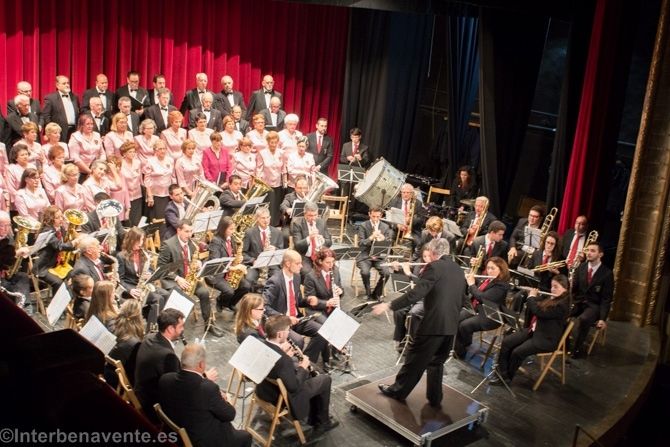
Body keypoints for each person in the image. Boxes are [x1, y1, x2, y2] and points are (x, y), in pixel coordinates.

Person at [373, 238, 466, 406]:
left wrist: (389, 305)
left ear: (433, 252)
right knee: (436, 363)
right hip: (451, 324)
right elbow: (461, 299)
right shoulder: (458, 269)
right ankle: (435, 397)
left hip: (434, 323)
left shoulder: (434, 267)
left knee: (414, 358)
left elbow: (415, 294)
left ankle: (398, 390)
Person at [255, 315, 339, 435]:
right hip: (281, 397)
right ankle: (322, 423)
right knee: (325, 379)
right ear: (280, 334)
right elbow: (294, 387)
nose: (289, 333)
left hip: (265, 390)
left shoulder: (261, 345)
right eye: (287, 330)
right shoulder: (284, 361)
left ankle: (315, 415)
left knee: (311, 375)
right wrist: (303, 367)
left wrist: (286, 355)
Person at [159, 344, 252, 447]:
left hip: (175, 433)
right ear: (201, 365)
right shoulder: (208, 389)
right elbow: (230, 415)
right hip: (202, 441)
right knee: (246, 436)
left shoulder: (165, 379)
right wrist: (226, 399)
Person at [496, 275, 570, 384]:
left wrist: (531, 297)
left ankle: (507, 378)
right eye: (552, 286)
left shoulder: (562, 305)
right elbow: (539, 303)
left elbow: (539, 312)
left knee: (517, 352)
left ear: (565, 289)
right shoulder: (553, 297)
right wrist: (532, 293)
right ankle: (502, 372)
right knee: (507, 342)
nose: (552, 289)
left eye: (556, 287)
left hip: (546, 339)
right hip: (535, 330)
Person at [157, 220, 223, 337]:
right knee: (180, 296)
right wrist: (177, 278)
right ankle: (174, 328)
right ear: (179, 230)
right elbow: (160, 268)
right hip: (173, 280)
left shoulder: (192, 244)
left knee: (204, 293)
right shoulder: (168, 245)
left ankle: (209, 324)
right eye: (186, 231)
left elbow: (194, 260)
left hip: (189, 279)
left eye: (191, 231)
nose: (189, 234)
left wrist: (199, 263)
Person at [263, 250, 329, 366]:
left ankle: (306, 363)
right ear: (288, 264)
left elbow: (297, 301)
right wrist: (286, 318)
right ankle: (295, 366)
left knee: (323, 332)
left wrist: (308, 301)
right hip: (281, 323)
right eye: (298, 263)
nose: (301, 266)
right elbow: (265, 307)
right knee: (298, 340)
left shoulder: (296, 277)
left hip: (296, 319)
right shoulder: (275, 281)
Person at [455, 256, 511, 358]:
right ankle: (463, 344)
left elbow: (482, 298)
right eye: (488, 268)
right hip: (477, 309)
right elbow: (477, 290)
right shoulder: (488, 280)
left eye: (492, 268)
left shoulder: (502, 286)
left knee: (464, 326)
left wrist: (472, 284)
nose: (489, 271)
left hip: (491, 316)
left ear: (501, 270)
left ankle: (460, 352)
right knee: (457, 318)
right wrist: (469, 278)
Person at [134, 308, 185, 417]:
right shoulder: (168, 356)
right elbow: (177, 387)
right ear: (170, 329)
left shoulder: (149, 337)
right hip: (152, 405)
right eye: (181, 326)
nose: (183, 329)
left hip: (141, 393)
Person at [116, 227, 168, 329]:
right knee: (158, 299)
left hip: (144, 284)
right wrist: (130, 290)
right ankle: (151, 330)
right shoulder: (121, 256)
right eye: (138, 240)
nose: (141, 243)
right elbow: (120, 279)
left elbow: (151, 270)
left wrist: (150, 274)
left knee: (166, 294)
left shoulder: (143, 253)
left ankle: (155, 320)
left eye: (142, 240)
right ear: (131, 240)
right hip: (132, 287)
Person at [570, 241, 614, 358]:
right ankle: (562, 342)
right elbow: (574, 289)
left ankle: (576, 349)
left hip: (593, 306)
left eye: (593, 251)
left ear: (600, 254)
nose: (588, 253)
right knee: (561, 311)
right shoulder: (581, 267)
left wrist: (602, 318)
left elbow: (606, 298)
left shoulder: (607, 273)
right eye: (588, 250)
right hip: (579, 301)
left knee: (583, 319)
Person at [206, 216, 251, 312]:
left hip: (229, 271)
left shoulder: (232, 239)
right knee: (229, 291)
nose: (233, 231)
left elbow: (232, 254)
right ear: (223, 229)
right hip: (217, 274)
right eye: (231, 229)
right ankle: (220, 301)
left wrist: (238, 258)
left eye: (234, 228)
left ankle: (231, 303)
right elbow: (216, 262)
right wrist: (234, 268)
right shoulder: (216, 241)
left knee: (246, 286)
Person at [391, 247, 432, 351]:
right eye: (424, 256)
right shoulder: (419, 263)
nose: (427, 259)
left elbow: (424, 285)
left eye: (429, 256)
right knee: (398, 310)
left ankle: (413, 342)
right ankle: (401, 338)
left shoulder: (435, 269)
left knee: (413, 313)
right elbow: (407, 279)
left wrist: (409, 273)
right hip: (414, 297)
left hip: (427, 299)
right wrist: (397, 269)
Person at [34, 206, 80, 294]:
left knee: (75, 274)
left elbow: (65, 243)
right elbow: (59, 246)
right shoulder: (47, 231)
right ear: (50, 219)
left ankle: (70, 297)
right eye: (57, 217)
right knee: (58, 283)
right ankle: (57, 302)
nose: (61, 219)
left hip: (58, 264)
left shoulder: (61, 229)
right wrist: (74, 242)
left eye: (61, 216)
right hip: (44, 267)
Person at [105, 299, 144, 388]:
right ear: (139, 317)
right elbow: (133, 372)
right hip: (118, 382)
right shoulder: (135, 343)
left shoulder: (111, 325)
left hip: (107, 371)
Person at [355, 207, 392, 300]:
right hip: (365, 255)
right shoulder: (363, 225)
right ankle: (368, 293)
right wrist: (371, 237)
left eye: (378, 217)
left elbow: (389, 243)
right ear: (369, 214)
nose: (375, 219)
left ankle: (376, 293)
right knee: (365, 272)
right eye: (373, 216)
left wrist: (383, 239)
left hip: (379, 255)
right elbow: (361, 243)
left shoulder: (385, 227)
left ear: (381, 215)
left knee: (386, 273)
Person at [242, 206, 284, 284]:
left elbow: (282, 252)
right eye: (263, 218)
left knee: (278, 279)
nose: (266, 220)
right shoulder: (249, 233)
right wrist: (253, 261)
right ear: (257, 218)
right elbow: (243, 253)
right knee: (249, 279)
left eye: (267, 217)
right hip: (256, 266)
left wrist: (275, 249)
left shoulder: (278, 232)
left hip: (272, 265)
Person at [291, 201, 332, 278]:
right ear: (304, 214)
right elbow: (297, 245)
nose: (313, 218)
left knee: (331, 269)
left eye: (315, 215)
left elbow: (329, 242)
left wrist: (323, 240)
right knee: (307, 273)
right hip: (305, 256)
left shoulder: (321, 222)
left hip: (320, 256)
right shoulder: (297, 223)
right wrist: (309, 238)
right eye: (310, 215)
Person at [0, 211, 31, 308]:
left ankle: (25, 306)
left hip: (6, 273)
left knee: (23, 276)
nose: (6, 229)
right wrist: (17, 253)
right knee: (11, 286)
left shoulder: (8, 237)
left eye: (8, 225)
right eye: (2, 226)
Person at [303, 247, 343, 320]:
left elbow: (341, 288)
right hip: (317, 310)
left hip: (333, 308)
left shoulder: (335, 271)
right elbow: (310, 300)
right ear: (320, 261)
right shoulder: (311, 277)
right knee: (327, 325)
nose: (331, 265)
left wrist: (340, 291)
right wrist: (326, 303)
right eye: (328, 262)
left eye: (333, 261)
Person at [142, 139, 175, 225]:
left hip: (168, 194)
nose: (163, 151)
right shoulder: (150, 161)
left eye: (164, 148)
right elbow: (147, 180)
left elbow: (173, 176)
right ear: (155, 150)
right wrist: (150, 195)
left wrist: (174, 191)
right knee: (159, 220)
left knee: (169, 217)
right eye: (160, 149)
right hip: (155, 195)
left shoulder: (170, 160)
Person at [256, 131, 285, 226]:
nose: (273, 144)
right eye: (271, 142)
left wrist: (284, 181)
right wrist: (260, 183)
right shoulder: (262, 153)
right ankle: (266, 224)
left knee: (276, 205)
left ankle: (275, 224)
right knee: (268, 205)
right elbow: (259, 169)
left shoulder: (281, 153)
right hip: (266, 184)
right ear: (268, 142)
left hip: (278, 183)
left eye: (275, 142)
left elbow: (283, 168)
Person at [40, 75, 79, 142]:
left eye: (68, 83)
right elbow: (46, 116)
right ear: (57, 85)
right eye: (64, 83)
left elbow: (79, 112)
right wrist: (50, 131)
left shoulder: (74, 97)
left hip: (74, 130)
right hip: (59, 132)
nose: (67, 85)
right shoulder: (51, 98)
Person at [118, 141, 143, 226]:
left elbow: (140, 179)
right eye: (130, 152)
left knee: (136, 221)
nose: (133, 154)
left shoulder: (138, 162)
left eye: (134, 152)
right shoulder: (120, 164)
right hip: (125, 196)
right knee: (127, 221)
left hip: (137, 195)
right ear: (124, 154)